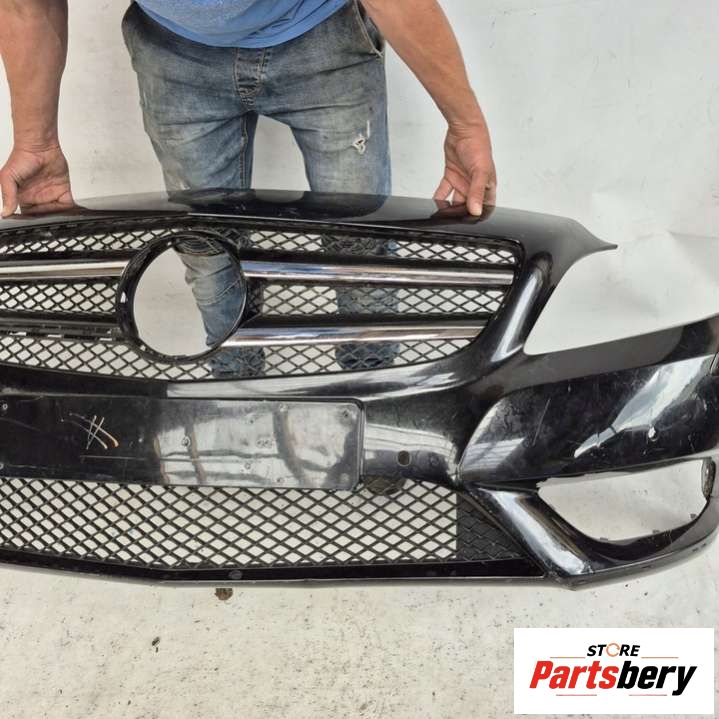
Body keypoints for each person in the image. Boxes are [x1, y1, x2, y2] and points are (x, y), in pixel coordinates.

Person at [0, 0, 497, 374]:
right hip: (174, 53)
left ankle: (372, 388)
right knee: (206, 248)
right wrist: (37, 142)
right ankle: (239, 388)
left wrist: (465, 125)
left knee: (361, 245)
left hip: (321, 36)